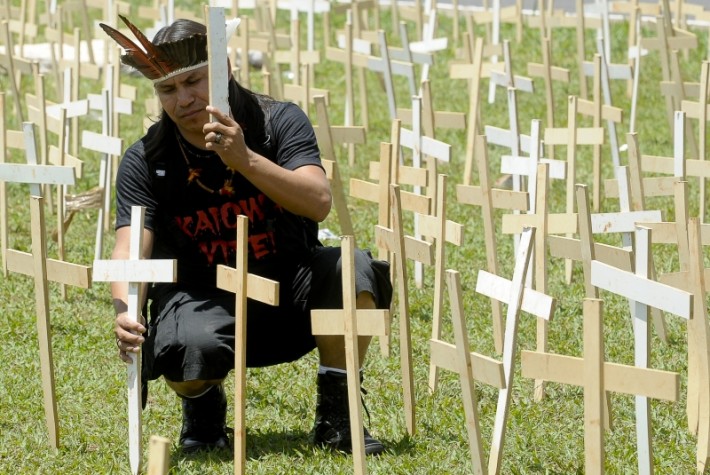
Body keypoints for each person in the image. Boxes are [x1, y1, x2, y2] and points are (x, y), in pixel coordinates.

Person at [100, 16, 392, 456]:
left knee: (352, 270)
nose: (183, 99)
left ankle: (337, 412)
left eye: (194, 81)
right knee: (182, 344)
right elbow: (129, 248)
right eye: (167, 90)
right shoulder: (146, 158)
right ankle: (202, 410)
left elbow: (317, 201)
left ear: (225, 69)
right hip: (203, 297)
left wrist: (245, 159)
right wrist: (127, 308)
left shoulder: (277, 122)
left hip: (290, 291)